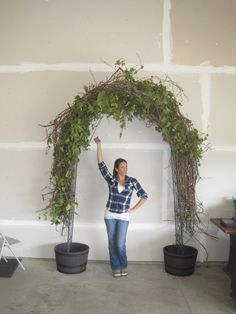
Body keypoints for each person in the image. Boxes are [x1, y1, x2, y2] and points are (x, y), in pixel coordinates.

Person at [94, 136, 148, 277]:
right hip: (110, 215)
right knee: (112, 243)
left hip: (123, 216)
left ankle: (123, 265)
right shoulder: (111, 180)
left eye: (126, 166)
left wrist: (133, 209)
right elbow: (101, 165)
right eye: (122, 166)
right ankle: (115, 267)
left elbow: (144, 196)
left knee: (120, 243)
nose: (125, 168)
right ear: (117, 169)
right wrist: (99, 145)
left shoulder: (132, 181)